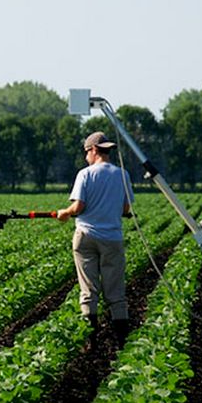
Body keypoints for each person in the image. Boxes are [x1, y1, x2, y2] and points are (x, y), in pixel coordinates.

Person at [57, 131, 134, 342]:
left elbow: (79, 206)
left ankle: (90, 338)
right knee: (115, 290)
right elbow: (126, 208)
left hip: (85, 236)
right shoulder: (123, 175)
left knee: (88, 288)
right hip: (112, 239)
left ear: (93, 150)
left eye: (86, 153)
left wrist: (65, 212)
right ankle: (121, 339)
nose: (85, 158)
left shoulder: (85, 174)